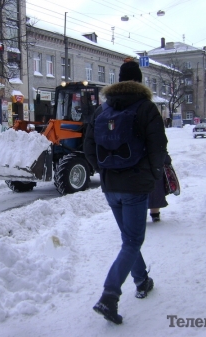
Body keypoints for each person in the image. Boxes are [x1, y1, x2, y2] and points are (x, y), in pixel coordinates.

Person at [84, 60, 168, 324]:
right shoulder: (146, 107)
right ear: (139, 81)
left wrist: (103, 170)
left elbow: (88, 146)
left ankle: (142, 281)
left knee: (129, 239)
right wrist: (153, 176)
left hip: (111, 186)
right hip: (135, 185)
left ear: (118, 81)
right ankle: (109, 295)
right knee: (132, 241)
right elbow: (158, 147)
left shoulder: (102, 110)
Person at [148, 153, 172, 222]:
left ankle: (139, 215)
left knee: (139, 194)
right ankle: (155, 214)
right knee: (156, 190)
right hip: (156, 163)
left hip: (137, 165)